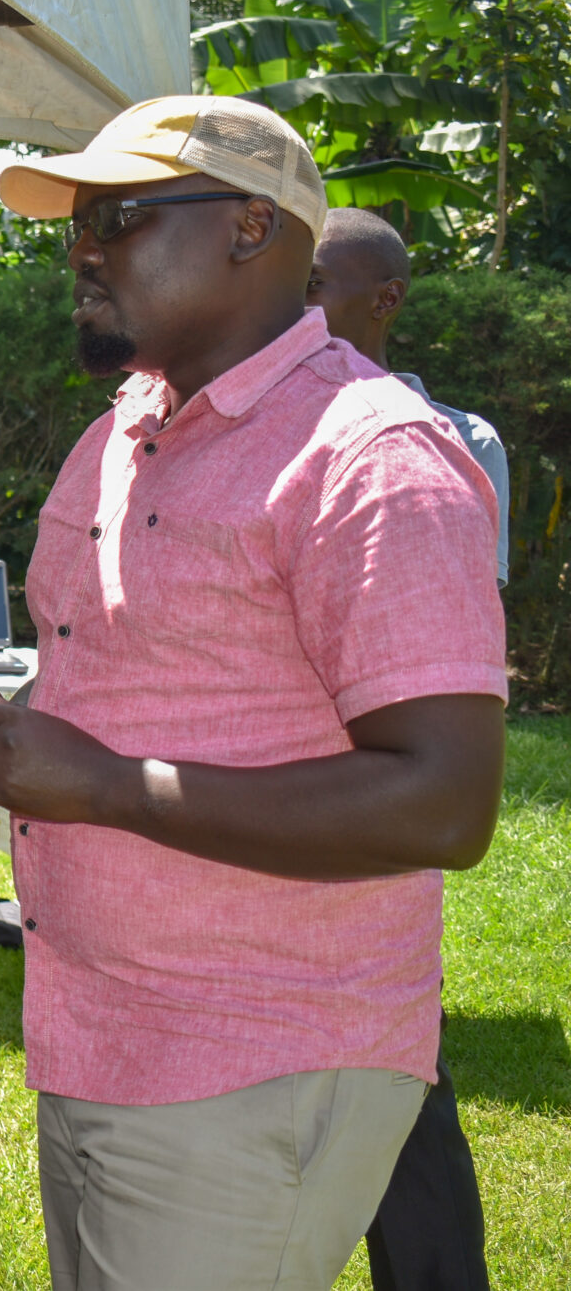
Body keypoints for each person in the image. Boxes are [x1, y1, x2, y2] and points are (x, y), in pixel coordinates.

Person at [0, 95, 506, 1290]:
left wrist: (107, 786)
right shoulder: (124, 430)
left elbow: (442, 805)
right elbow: (141, 672)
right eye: (76, 224)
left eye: (115, 218)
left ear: (247, 229)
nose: (80, 249)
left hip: (252, 1057)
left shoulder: (370, 460)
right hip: (95, 1031)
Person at [308, 205, 500, 1291]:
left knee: (397, 1061)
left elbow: (449, 627)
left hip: (378, 773)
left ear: (382, 298)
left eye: (317, 287)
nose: (297, 310)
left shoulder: (443, 444)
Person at [311, 206, 511, 589]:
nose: (290, 305)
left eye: (313, 282)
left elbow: (460, 610)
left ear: (386, 300)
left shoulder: (466, 443)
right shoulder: (248, 421)